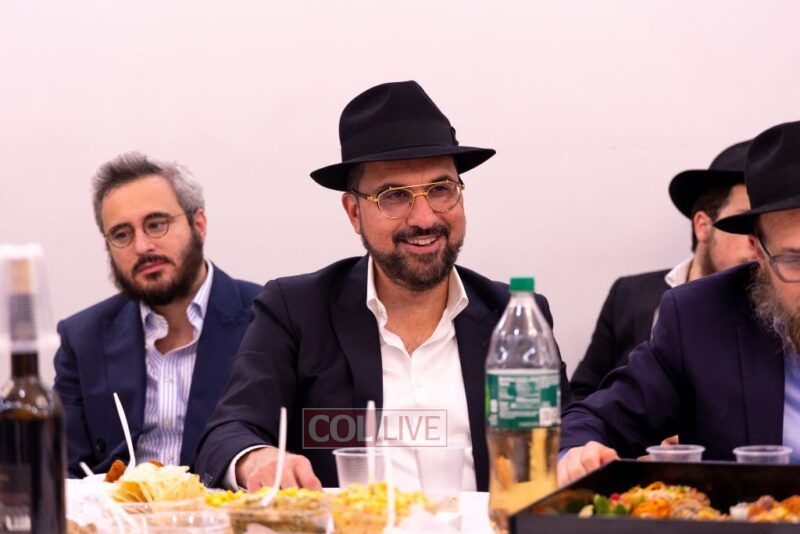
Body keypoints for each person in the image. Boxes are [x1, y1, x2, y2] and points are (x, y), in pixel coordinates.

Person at [194, 80, 573, 492]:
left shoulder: (512, 317)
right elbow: (229, 432)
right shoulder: (298, 310)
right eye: (394, 196)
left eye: (441, 190)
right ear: (354, 213)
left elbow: (562, 438)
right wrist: (256, 459)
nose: (424, 218)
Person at [557, 120, 800, 485]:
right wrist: (577, 454)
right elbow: (595, 420)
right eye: (794, 261)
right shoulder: (701, 317)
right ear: (758, 253)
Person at [53, 153, 260, 477]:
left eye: (156, 225)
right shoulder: (82, 338)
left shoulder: (265, 317)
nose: (142, 246)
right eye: (122, 234)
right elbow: (65, 470)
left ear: (198, 225)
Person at [570, 142, 755, 399]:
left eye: (765, 227)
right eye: (744, 222)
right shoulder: (629, 295)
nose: (758, 240)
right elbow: (582, 394)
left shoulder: (773, 306)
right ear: (703, 226)